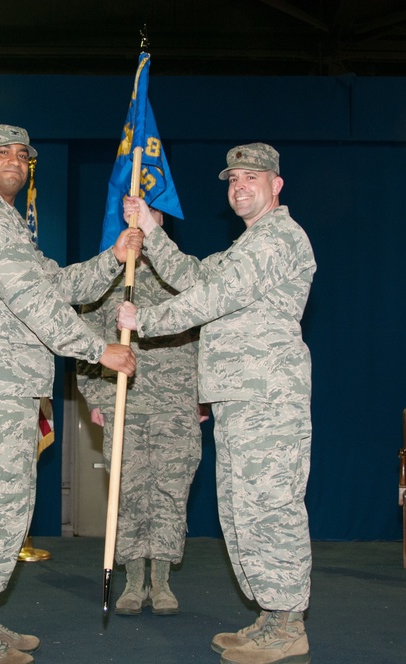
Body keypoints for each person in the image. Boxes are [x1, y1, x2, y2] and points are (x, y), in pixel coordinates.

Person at [0, 124, 142, 664]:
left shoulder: (8, 224)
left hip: (7, 383)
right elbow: (33, 300)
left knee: (8, 505)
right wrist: (99, 350)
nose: (12, 160)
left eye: (21, 154)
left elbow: (55, 283)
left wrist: (112, 256)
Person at [117, 143, 316, 664]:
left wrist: (147, 322)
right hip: (238, 398)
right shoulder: (245, 246)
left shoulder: (280, 238)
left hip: (268, 399)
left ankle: (289, 623)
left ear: (277, 185)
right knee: (242, 511)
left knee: (271, 509)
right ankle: (272, 616)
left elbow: (212, 298)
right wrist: (152, 232)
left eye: (252, 177)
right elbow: (197, 277)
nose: (240, 186)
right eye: (232, 180)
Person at [76, 208, 206, 617]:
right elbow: (87, 341)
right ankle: (133, 581)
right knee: (128, 494)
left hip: (175, 406)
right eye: (136, 213)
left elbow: (210, 337)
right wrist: (95, 397)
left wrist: (203, 397)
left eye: (152, 214)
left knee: (170, 492)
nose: (143, 220)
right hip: (123, 403)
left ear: (161, 223)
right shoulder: (109, 277)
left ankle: (163, 582)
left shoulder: (184, 277)